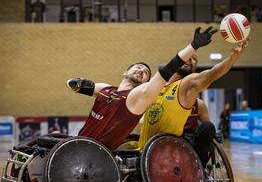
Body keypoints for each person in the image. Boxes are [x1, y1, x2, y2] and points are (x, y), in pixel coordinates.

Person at [66, 26, 217, 151]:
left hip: (98, 154)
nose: (141, 71)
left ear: (146, 83)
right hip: (78, 143)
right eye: (138, 67)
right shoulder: (106, 89)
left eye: (145, 73)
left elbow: (167, 70)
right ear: (125, 72)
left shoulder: (138, 96)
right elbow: (78, 85)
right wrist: (75, 84)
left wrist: (193, 46)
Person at [137, 39, 248, 149]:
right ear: (177, 60)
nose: (189, 59)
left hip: (170, 148)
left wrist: (231, 59)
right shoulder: (157, 84)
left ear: (195, 68)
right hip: (144, 147)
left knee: (207, 127)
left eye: (194, 59)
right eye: (187, 56)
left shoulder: (189, 85)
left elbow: (211, 74)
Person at [183, 97, 216, 167]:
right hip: (173, 136)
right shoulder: (168, 101)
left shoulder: (199, 104)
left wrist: (213, 134)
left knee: (208, 126)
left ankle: (201, 168)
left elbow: (207, 123)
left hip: (191, 137)